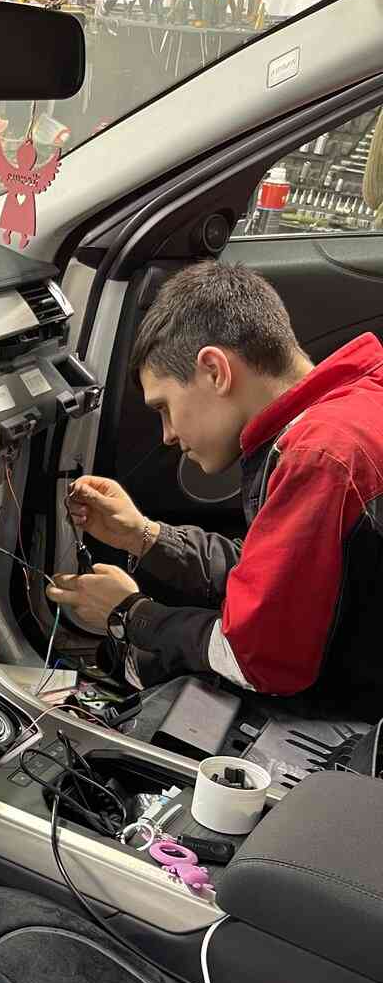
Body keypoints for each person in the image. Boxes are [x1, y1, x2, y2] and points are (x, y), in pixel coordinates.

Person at [47, 260, 383, 718]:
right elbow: (282, 575)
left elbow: (255, 660)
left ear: (214, 370)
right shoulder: (356, 405)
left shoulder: (321, 457)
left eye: (164, 407)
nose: (167, 435)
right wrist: (145, 536)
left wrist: (129, 614)